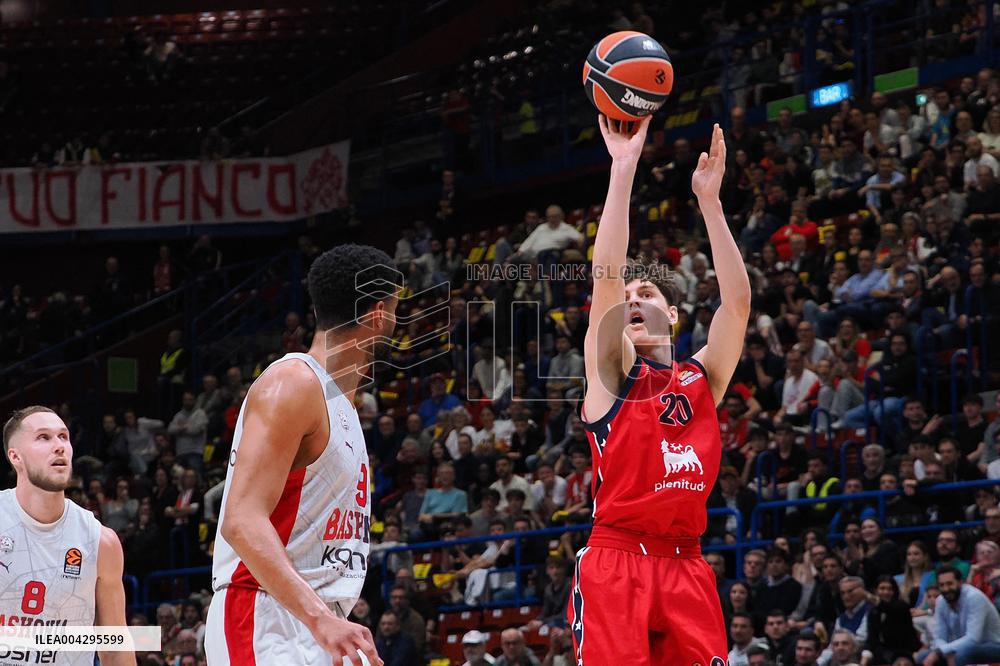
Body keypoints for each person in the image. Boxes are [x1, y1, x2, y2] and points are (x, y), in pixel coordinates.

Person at [569, 119, 750, 665]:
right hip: (617, 558)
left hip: (687, 564)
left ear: (671, 313)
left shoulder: (703, 379)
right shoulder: (612, 374)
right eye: (626, 297)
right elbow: (605, 278)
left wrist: (711, 204)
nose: (631, 301)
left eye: (644, 292)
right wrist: (622, 171)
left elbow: (737, 306)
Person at [206, 245, 396, 666]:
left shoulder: (340, 404)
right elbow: (241, 520)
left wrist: (325, 620)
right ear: (378, 314)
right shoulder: (293, 383)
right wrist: (318, 619)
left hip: (322, 620)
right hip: (264, 616)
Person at [1, 406, 132, 665]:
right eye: (43, 437)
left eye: (64, 436)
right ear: (15, 457)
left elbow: (115, 646)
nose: (59, 446)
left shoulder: (101, 541)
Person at [920, 565, 1000, 665]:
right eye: (942, 585)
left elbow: (973, 639)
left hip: (991, 644)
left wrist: (941, 651)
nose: (946, 589)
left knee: (961, 655)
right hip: (961, 647)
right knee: (922, 657)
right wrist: (945, 652)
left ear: (960, 582)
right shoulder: (941, 601)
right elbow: (940, 637)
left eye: (950, 584)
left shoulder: (974, 597)